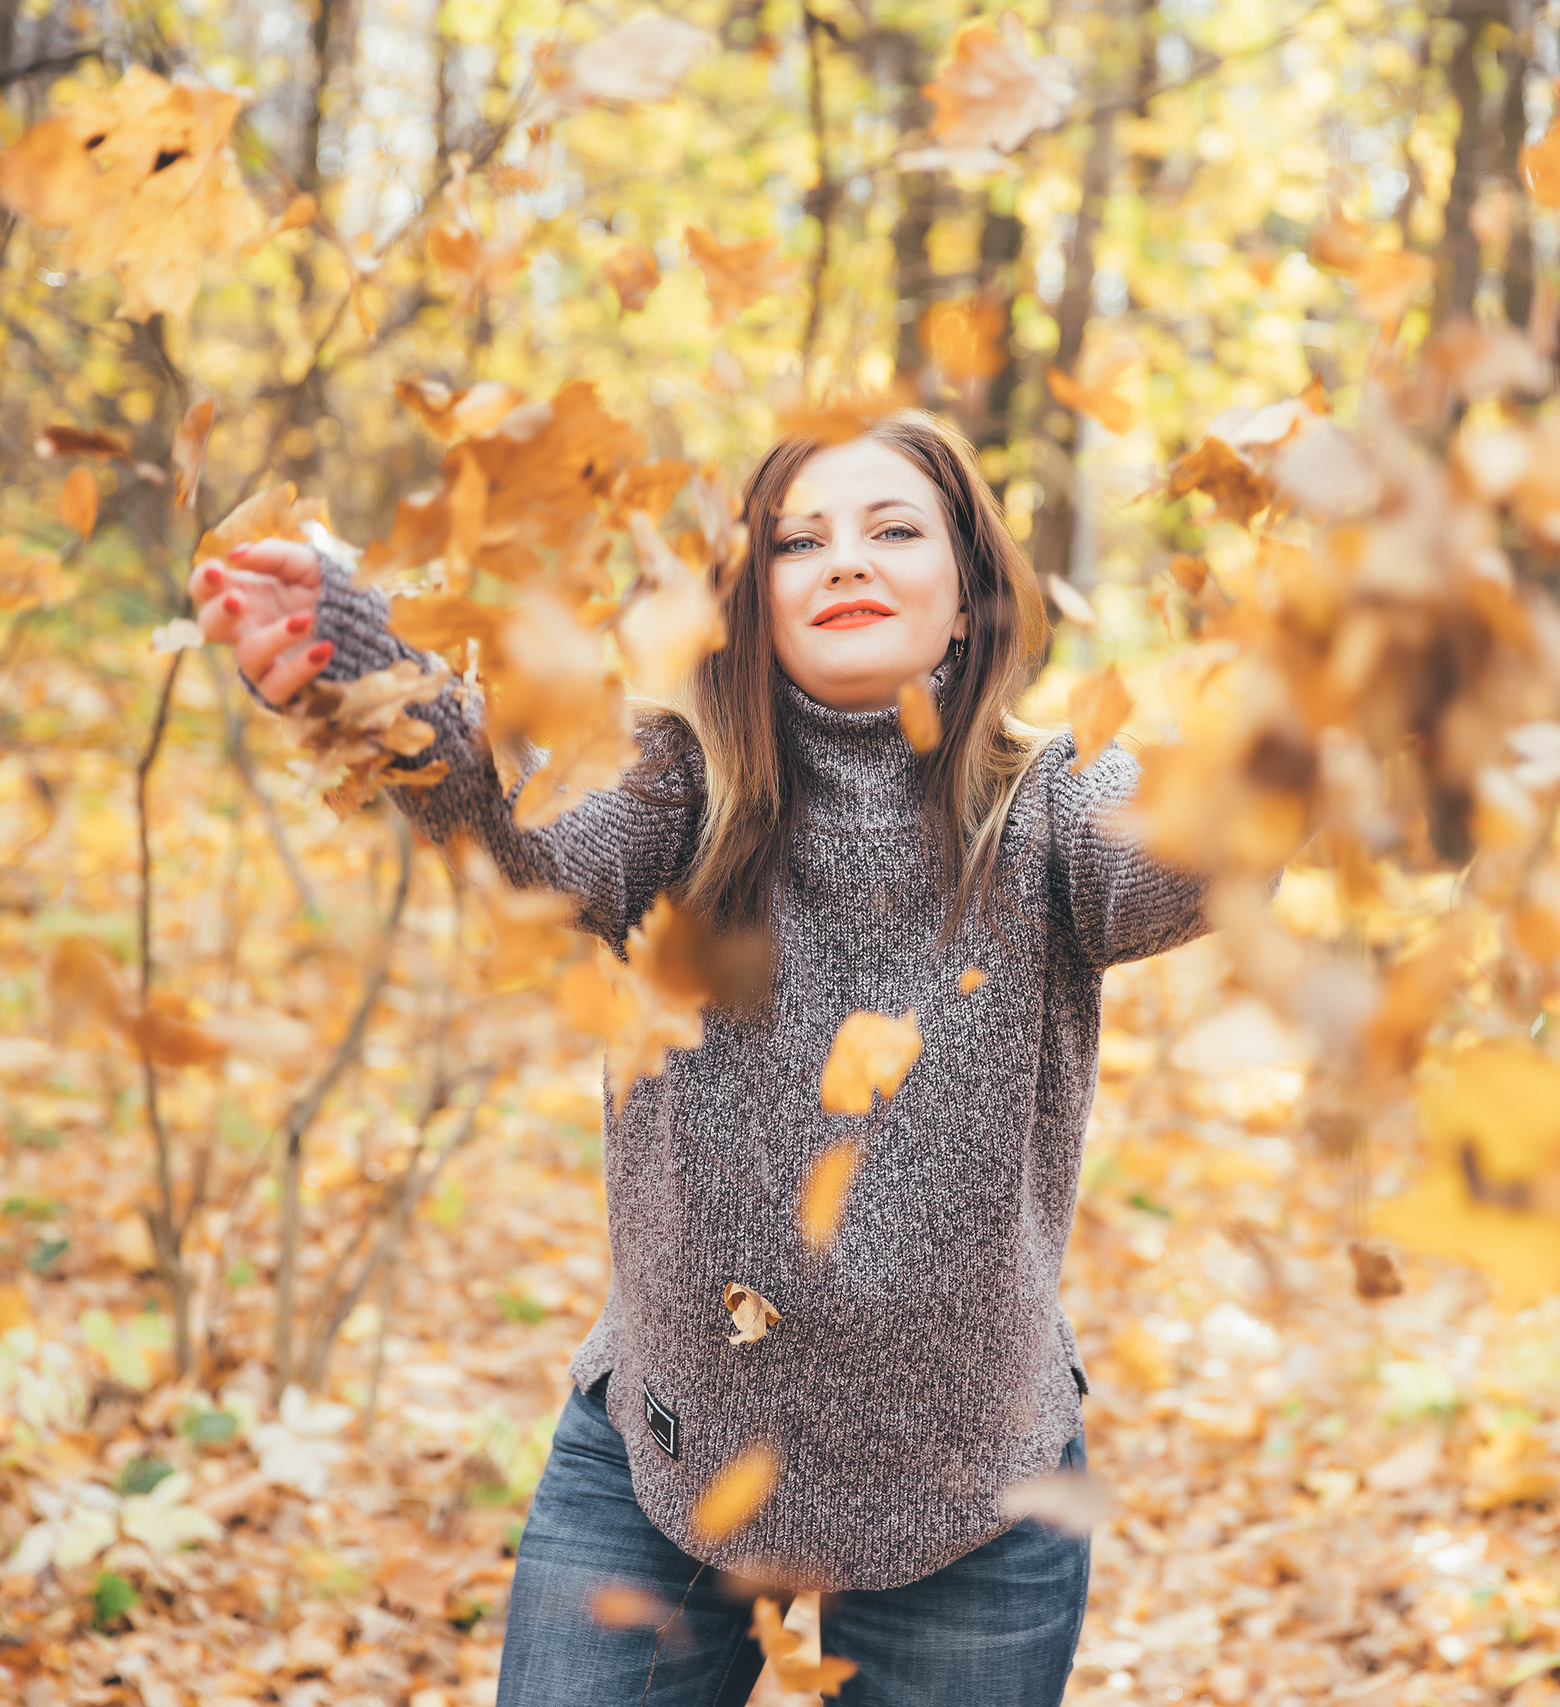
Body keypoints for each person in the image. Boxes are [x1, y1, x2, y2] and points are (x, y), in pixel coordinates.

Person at [192, 410, 1208, 1705]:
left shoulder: (1052, 803)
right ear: (749, 603)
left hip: (976, 1483)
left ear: (968, 596)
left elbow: (1185, 860)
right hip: (668, 1448)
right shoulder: (676, 791)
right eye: (799, 541)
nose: (846, 561)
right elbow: (519, 827)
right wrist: (365, 669)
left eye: (895, 530)